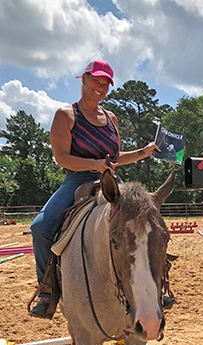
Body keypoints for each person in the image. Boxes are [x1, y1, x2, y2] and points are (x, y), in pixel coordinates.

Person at [30, 59, 173, 318]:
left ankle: (158, 286)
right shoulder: (66, 115)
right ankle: (47, 289)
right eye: (96, 80)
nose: (101, 86)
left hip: (111, 180)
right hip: (77, 179)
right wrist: (94, 164)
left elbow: (116, 157)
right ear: (83, 78)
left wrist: (145, 151)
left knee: (149, 220)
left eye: (106, 83)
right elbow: (61, 157)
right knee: (40, 226)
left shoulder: (111, 118)